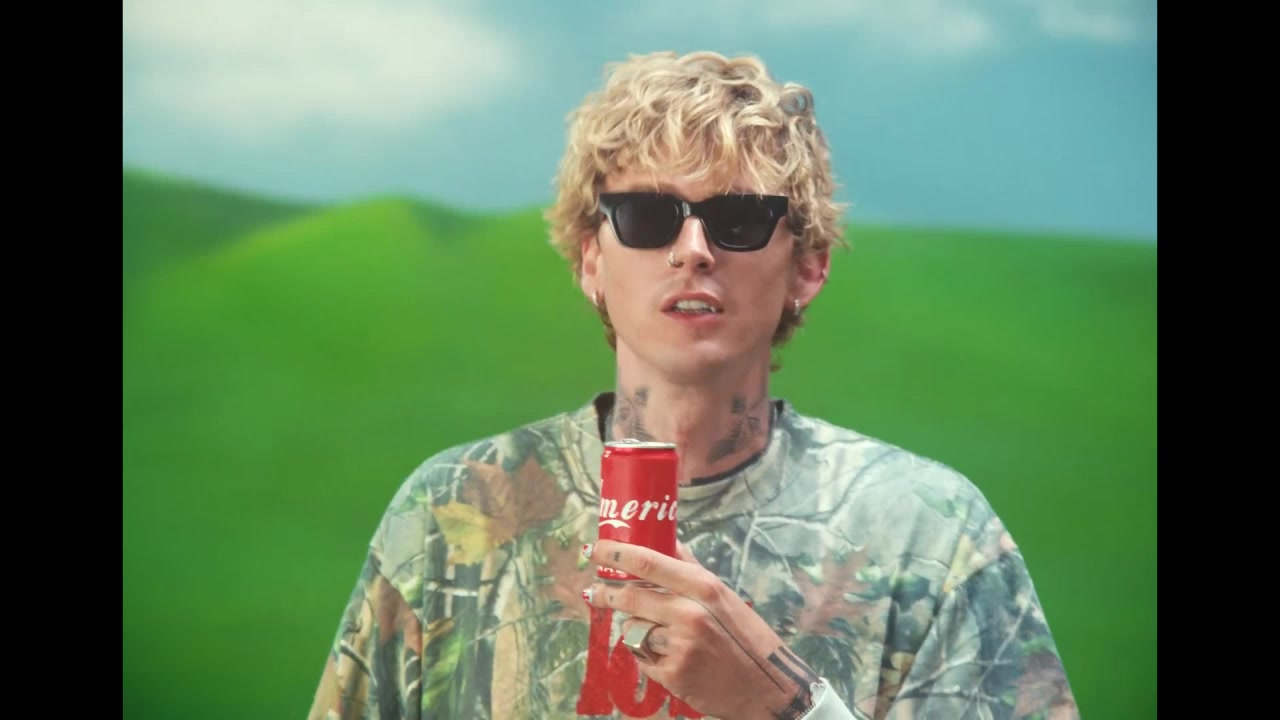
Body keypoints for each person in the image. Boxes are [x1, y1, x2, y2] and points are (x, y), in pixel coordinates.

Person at [306, 50, 1079, 720]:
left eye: (740, 219)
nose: (693, 249)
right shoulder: (454, 511)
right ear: (591, 261)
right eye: (647, 216)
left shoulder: (930, 534)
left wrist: (783, 705)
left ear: (808, 269)